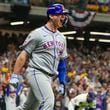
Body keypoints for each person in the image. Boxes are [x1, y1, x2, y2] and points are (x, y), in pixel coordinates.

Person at [9, 3, 68, 110]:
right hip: (36, 72)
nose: (63, 17)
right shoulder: (37, 33)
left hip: (49, 77)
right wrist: (15, 75)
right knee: (48, 102)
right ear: (51, 16)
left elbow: (62, 62)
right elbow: (23, 55)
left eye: (64, 15)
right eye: (61, 15)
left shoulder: (62, 38)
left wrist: (62, 82)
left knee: (29, 107)